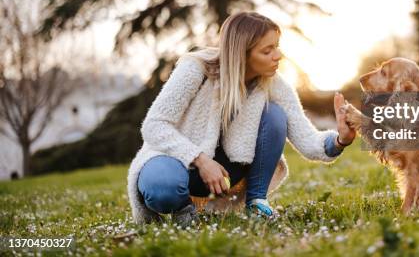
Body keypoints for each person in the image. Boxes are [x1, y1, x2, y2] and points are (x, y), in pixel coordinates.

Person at [126, 12, 355, 227]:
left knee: (274, 114)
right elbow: (154, 126)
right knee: (163, 190)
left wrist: (339, 141)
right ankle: (184, 210)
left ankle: (256, 202)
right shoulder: (196, 69)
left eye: (276, 47)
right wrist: (201, 160)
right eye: (267, 51)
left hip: (226, 175)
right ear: (241, 54)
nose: (278, 56)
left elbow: (306, 138)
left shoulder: (273, 84)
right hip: (174, 161)